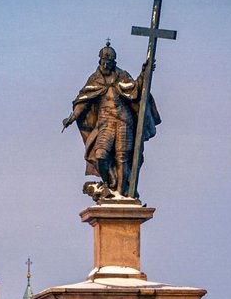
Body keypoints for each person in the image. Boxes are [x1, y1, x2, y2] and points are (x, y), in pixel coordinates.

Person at [62, 42, 159, 197]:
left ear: (114, 62)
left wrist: (143, 74)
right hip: (105, 123)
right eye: (103, 62)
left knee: (122, 158)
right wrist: (72, 117)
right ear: (99, 61)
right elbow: (84, 100)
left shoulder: (122, 75)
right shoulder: (95, 79)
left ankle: (121, 193)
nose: (105, 65)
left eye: (109, 62)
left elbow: (136, 90)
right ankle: (110, 183)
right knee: (100, 154)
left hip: (123, 120)